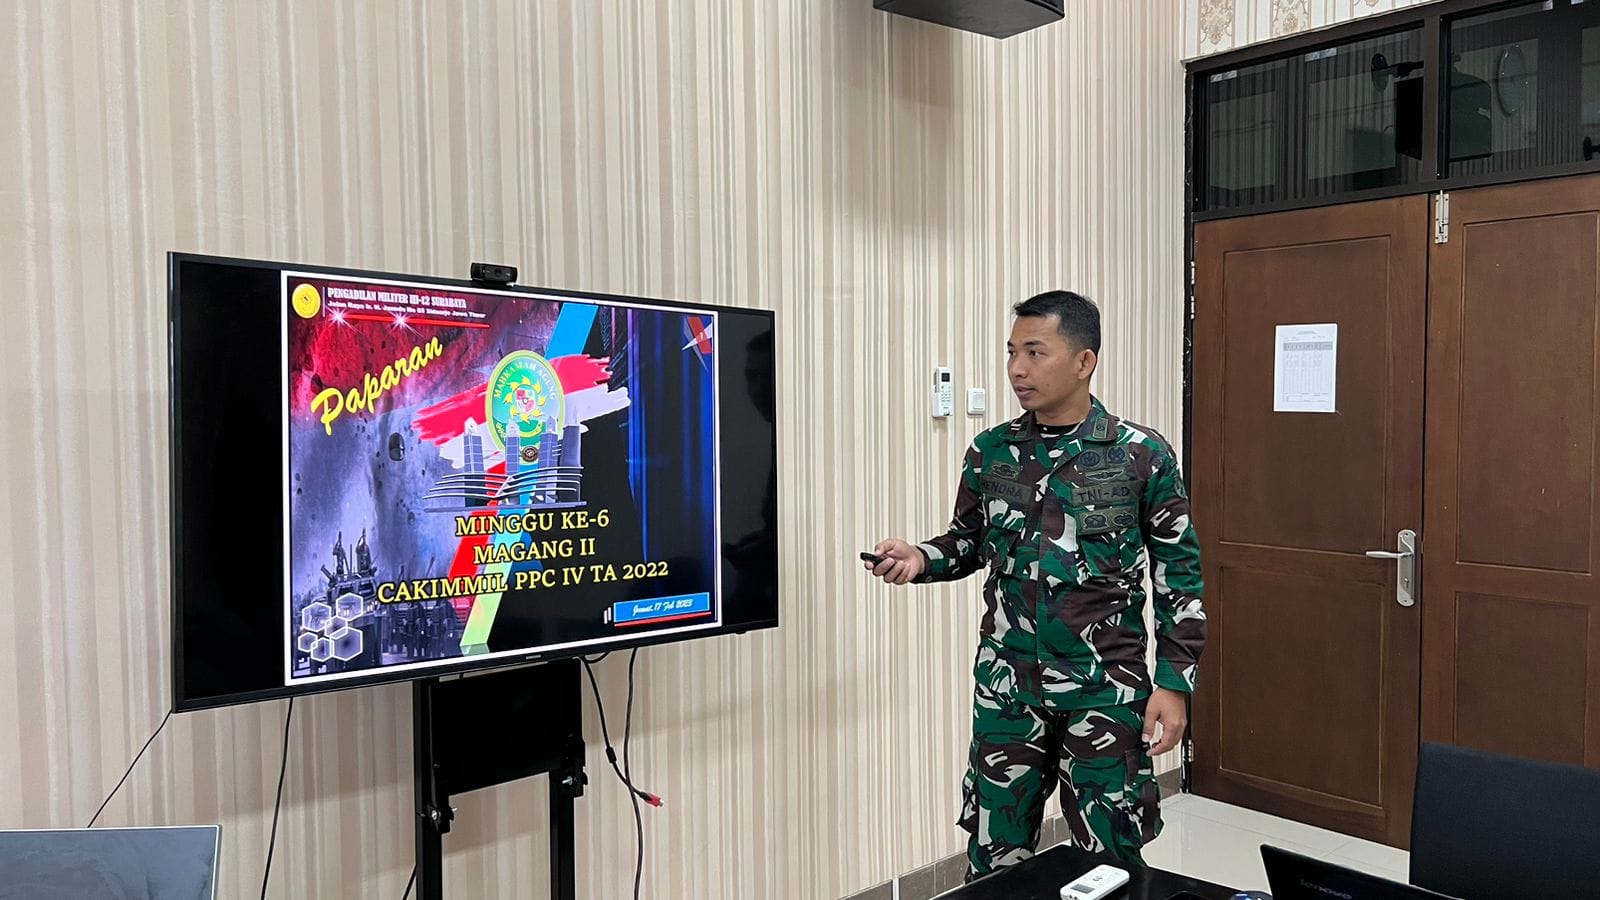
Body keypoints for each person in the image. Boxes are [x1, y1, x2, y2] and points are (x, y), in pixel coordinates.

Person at [867, 291, 1205, 881]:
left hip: (1104, 690)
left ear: (1084, 361)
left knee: (1109, 862)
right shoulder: (992, 450)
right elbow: (969, 541)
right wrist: (920, 558)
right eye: (1011, 352)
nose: (1016, 369)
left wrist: (1175, 684)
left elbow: (1179, 574)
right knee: (995, 856)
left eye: (1034, 352)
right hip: (1007, 686)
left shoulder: (1140, 454)